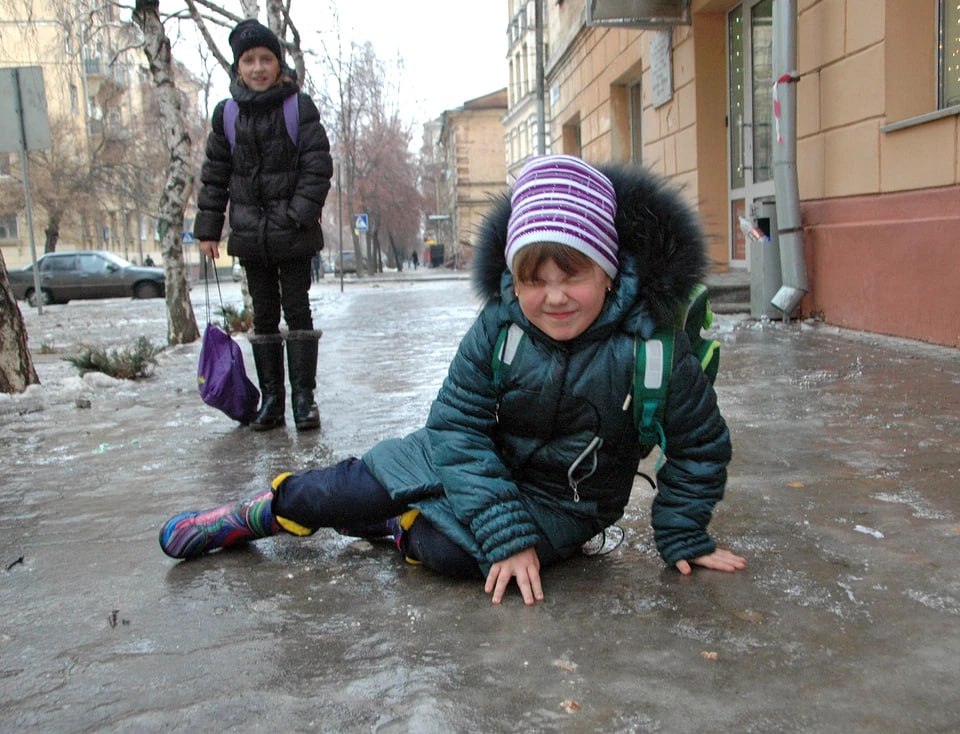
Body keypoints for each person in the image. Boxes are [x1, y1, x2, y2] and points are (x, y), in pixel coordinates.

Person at [160, 155, 746, 604]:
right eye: (534, 280)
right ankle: (256, 514)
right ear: (513, 280)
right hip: (458, 459)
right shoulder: (500, 329)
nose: (555, 297)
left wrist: (682, 535)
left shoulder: (653, 353)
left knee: (454, 553)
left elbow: (699, 446)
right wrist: (497, 522)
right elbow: (457, 426)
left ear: (610, 271)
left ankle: (398, 523)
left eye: (575, 275)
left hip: (561, 506)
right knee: (343, 487)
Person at [194, 18, 333, 432]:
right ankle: (272, 402)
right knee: (264, 316)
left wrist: (297, 216)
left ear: (278, 64)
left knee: (298, 311)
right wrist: (208, 229)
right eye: (249, 60)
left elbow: (317, 167)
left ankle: (304, 401)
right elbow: (215, 174)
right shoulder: (227, 115)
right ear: (238, 67)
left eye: (266, 59)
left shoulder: (298, 108)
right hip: (251, 236)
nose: (258, 68)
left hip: (293, 236)